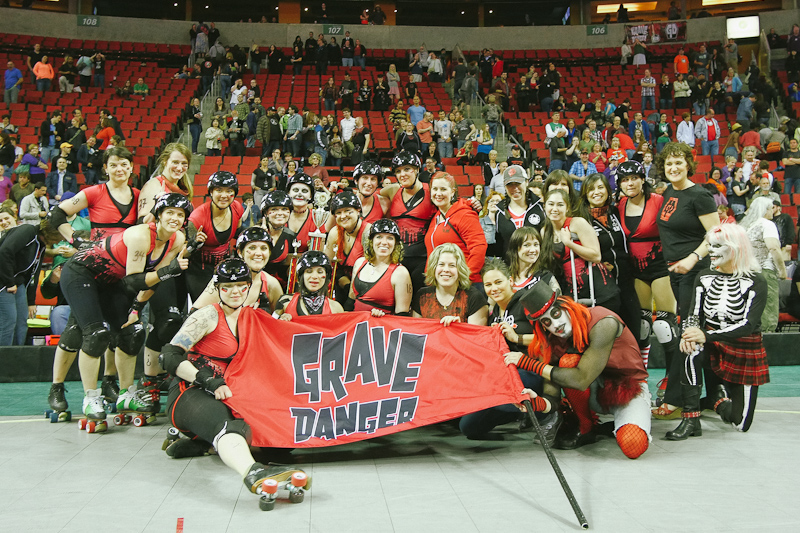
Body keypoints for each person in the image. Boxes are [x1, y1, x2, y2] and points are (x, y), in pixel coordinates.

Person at [160, 258, 310, 494]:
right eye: (227, 287)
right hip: (191, 392)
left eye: (241, 285)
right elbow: (168, 357)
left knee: (279, 443)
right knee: (228, 426)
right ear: (218, 289)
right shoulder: (207, 316)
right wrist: (207, 380)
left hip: (231, 394)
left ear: (248, 287)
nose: (235, 292)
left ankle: (205, 444)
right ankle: (253, 471)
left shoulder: (255, 317)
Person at [60, 193, 190, 424]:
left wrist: (136, 308)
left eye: (180, 214)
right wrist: (168, 271)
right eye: (169, 212)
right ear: (158, 216)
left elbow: (153, 280)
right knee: (97, 335)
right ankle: (91, 397)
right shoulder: (141, 235)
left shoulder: (177, 239)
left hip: (112, 282)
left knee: (133, 332)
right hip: (82, 273)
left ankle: (126, 395)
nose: (175, 218)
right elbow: (135, 280)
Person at [504, 283, 651, 459]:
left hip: (628, 389)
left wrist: (529, 363)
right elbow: (553, 397)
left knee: (632, 445)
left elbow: (581, 379)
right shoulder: (553, 341)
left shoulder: (603, 322)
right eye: (547, 321)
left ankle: (620, 424)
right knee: (567, 361)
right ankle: (586, 426)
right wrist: (537, 403)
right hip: (593, 393)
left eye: (556, 313)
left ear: (566, 306)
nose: (555, 324)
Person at [665, 225, 768, 439]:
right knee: (689, 348)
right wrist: (688, 334)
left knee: (740, 424)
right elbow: (692, 314)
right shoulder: (703, 276)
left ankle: (717, 400)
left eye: (717, 246)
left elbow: (748, 325)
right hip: (710, 344)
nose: (711, 251)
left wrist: (705, 335)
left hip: (742, 347)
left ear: (736, 249)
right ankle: (690, 418)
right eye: (710, 246)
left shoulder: (756, 281)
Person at [655, 142, 719, 416]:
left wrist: (693, 257)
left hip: (696, 272)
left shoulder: (699, 195)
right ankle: (712, 394)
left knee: (687, 332)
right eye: (669, 163)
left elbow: (716, 234)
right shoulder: (669, 191)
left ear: (688, 165)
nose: (673, 167)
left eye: (679, 162)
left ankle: (677, 398)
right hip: (677, 273)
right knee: (691, 331)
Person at [616, 161, 681, 383]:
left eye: (634, 177)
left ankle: (671, 380)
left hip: (661, 267)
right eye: (624, 179)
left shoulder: (659, 201)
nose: (630, 183)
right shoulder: (619, 205)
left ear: (643, 179)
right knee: (642, 327)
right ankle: (640, 377)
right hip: (636, 271)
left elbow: (677, 228)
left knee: (664, 326)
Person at [580, 173, 642, 343]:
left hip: (627, 279)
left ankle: (638, 367)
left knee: (636, 327)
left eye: (600, 187)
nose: (596, 192)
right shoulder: (581, 218)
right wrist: (597, 264)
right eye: (591, 189)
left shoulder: (615, 211)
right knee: (609, 333)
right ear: (585, 193)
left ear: (608, 190)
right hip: (603, 284)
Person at [540, 188, 620, 312]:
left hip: (598, 288)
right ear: (544, 206)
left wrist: (568, 243)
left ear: (567, 208)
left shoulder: (577, 223)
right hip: (573, 291)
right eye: (551, 204)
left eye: (560, 205)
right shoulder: (544, 231)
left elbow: (596, 256)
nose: (555, 209)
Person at [0, 218, 63, 346]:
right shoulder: (27, 230)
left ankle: (17, 356)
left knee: (21, 322)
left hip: (17, 282)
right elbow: (4, 252)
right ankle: (4, 360)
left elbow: (34, 273)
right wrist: (9, 282)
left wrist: (30, 301)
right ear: (52, 232)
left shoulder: (41, 245)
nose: (62, 240)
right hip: (4, 280)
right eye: (60, 236)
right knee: (8, 320)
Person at [380, 152, 437, 292]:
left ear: (417, 169)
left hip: (423, 259)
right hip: (397, 258)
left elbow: (451, 203)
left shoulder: (431, 191)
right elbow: (369, 197)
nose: (402, 174)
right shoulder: (393, 190)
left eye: (407, 169)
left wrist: (472, 204)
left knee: (419, 299)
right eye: (398, 171)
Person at [185, 172, 243, 301]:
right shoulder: (197, 217)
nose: (224, 195)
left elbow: (239, 231)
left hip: (225, 265)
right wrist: (194, 243)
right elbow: (184, 254)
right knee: (204, 311)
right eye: (219, 190)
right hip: (199, 269)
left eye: (229, 191)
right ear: (211, 192)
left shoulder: (237, 208)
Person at [425, 172, 487, 284]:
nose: (438, 193)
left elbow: (479, 248)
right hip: (442, 283)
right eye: (435, 189)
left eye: (443, 189)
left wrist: (466, 278)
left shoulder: (464, 214)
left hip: (463, 284)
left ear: (452, 192)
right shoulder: (437, 216)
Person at [739, 197, 787, 333]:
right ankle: (768, 340)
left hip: (746, 272)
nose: (773, 210)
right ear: (765, 209)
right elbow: (774, 248)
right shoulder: (767, 224)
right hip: (764, 271)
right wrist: (782, 271)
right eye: (771, 207)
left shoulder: (745, 226)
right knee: (768, 308)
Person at [412, 242, 488, 326]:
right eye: (441, 264)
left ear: (460, 270)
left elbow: (477, 336)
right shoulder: (422, 296)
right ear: (433, 268)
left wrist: (458, 327)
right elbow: (415, 331)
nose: (446, 270)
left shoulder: (474, 298)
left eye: (452, 265)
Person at [350, 218, 413, 315]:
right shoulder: (359, 263)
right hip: (356, 325)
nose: (384, 242)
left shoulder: (400, 273)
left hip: (381, 327)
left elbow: (402, 317)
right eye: (379, 237)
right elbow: (350, 301)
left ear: (395, 244)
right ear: (371, 241)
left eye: (390, 238)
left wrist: (382, 318)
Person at [323, 190, 371, 303]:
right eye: (338, 213)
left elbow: (372, 270)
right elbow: (329, 265)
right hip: (341, 282)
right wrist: (343, 282)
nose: (343, 216)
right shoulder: (335, 232)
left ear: (358, 211)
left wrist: (350, 289)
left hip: (364, 285)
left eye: (348, 211)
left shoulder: (369, 232)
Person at [494, 165, 546, 257]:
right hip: (510, 268)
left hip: (537, 267)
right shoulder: (499, 214)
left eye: (518, 183)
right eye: (510, 184)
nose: (515, 188)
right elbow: (499, 247)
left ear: (526, 182)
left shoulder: (540, 209)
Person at [277, 251, 344, 318]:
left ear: (326, 277)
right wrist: (279, 320)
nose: (314, 276)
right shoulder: (285, 302)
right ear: (301, 276)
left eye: (320, 272)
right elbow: (271, 324)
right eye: (309, 271)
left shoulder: (336, 308)